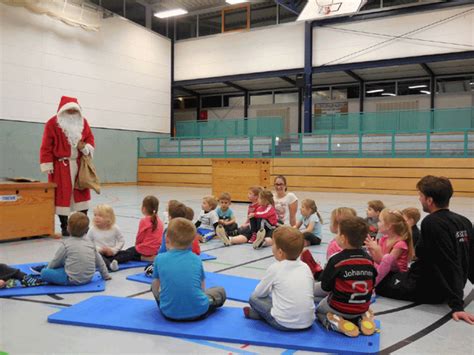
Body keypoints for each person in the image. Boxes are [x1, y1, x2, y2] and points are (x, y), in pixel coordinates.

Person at [376, 176, 474, 324]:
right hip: (445, 285)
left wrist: (456, 305)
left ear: (429, 200)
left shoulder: (431, 222)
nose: (419, 199)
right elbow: (469, 257)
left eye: (421, 196)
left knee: (376, 280)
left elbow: (446, 261)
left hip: (427, 288)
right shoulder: (464, 221)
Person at [40, 96, 95, 236]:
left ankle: (83, 225)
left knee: (81, 195)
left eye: (74, 110)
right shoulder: (52, 123)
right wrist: (48, 164)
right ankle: (65, 226)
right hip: (60, 167)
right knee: (61, 197)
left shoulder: (83, 123)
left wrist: (85, 148)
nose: (71, 113)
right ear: (63, 111)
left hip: (79, 165)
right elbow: (46, 146)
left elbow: (90, 139)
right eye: (68, 110)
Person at [151, 218, 226, 321]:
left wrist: (161, 299)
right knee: (220, 291)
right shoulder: (196, 259)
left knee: (155, 286)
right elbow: (202, 288)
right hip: (198, 312)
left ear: (166, 239)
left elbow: (155, 287)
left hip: (169, 312)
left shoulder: (159, 259)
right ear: (192, 242)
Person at [243, 226, 315, 331]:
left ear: (280, 252)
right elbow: (310, 291)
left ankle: (261, 315)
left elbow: (259, 294)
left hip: (283, 324)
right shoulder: (305, 267)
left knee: (253, 299)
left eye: (273, 244)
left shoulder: (275, 268)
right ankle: (266, 314)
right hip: (308, 322)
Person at [316, 217, 377, 337]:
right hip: (362, 307)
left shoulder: (336, 259)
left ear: (343, 238)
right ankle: (363, 317)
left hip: (338, 308)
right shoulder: (369, 260)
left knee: (319, 310)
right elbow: (372, 283)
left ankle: (335, 322)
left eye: (338, 233)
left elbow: (325, 287)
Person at [33, 212, 110, 285]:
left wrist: (48, 270)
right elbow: (100, 261)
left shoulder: (66, 244)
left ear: (68, 228)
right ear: (87, 229)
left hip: (71, 279)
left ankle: (44, 269)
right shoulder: (90, 243)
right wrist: (106, 276)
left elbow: (56, 261)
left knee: (44, 273)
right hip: (88, 278)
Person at [364, 209, 414, 286]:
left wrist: (377, 250)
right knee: (367, 255)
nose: (378, 223)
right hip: (385, 270)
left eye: (380, 221)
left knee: (387, 257)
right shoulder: (383, 239)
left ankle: (373, 284)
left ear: (389, 226)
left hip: (397, 274)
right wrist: (371, 250)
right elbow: (379, 261)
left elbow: (387, 262)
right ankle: (369, 277)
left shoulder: (400, 243)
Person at [112, 196, 164, 264]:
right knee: (130, 252)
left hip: (144, 249)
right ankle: (148, 257)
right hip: (155, 250)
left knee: (127, 253)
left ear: (143, 208)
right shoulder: (160, 221)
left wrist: (137, 247)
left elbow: (140, 237)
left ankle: (111, 260)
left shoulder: (144, 221)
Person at [86, 204, 124, 272]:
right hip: (99, 253)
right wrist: (99, 249)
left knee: (127, 253)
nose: (96, 217)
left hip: (112, 254)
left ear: (109, 218)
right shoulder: (92, 229)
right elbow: (88, 242)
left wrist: (113, 250)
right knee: (96, 256)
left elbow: (121, 241)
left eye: (100, 216)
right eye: (95, 215)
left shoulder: (115, 228)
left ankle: (109, 261)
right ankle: (110, 265)